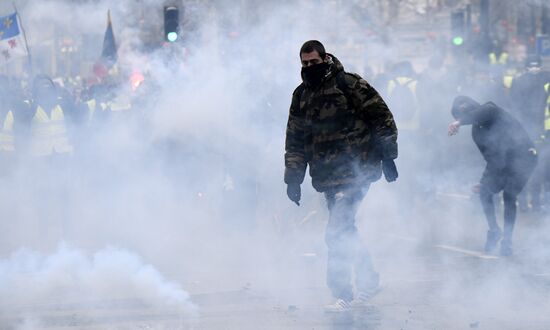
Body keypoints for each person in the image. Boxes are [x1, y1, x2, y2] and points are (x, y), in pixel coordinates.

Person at [284, 40, 398, 312]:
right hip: (327, 176)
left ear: (325, 58)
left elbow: (381, 117)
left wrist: (388, 157)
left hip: (357, 169)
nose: (310, 67)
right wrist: (293, 178)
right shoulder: (301, 95)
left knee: (336, 231)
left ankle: (342, 294)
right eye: (305, 63)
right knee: (345, 229)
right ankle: (370, 280)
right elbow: (295, 139)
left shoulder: (349, 84)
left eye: (314, 62)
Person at [449, 96, 537, 256]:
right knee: (484, 193)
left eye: (460, 117)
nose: (460, 121)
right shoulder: (477, 132)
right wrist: (484, 182)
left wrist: (460, 122)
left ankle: (507, 242)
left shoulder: (492, 110)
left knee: (509, 195)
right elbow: (491, 158)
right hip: (503, 163)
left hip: (525, 157)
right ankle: (494, 230)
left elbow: (486, 111)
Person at [510, 55, 550, 212]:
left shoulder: (546, 78)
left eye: (537, 66)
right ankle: (524, 201)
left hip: (541, 129)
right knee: (523, 166)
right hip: (525, 129)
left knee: (539, 166)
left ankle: (535, 202)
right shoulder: (519, 82)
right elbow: (515, 105)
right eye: (532, 66)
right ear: (526, 67)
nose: (535, 69)